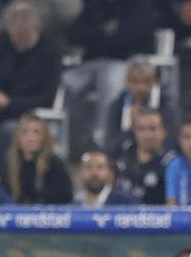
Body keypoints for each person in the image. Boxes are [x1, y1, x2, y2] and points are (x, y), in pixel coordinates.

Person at [0, 2, 61, 151]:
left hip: (25, 119)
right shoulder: (3, 41)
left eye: (22, 37)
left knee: (7, 133)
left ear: (36, 29)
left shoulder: (50, 53)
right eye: (13, 35)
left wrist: (10, 103)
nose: (16, 41)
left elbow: (46, 98)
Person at [63, 0, 154, 152]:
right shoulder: (94, 4)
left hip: (123, 62)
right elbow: (74, 34)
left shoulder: (138, 5)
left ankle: (103, 141)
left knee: (111, 84)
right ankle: (83, 139)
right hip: (92, 63)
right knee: (66, 82)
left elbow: (128, 39)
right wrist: (107, 36)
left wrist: (97, 37)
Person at [104, 59, 177, 156]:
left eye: (146, 81)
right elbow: (109, 149)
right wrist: (131, 128)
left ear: (156, 81)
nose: (141, 88)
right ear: (127, 82)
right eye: (135, 81)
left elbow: (172, 143)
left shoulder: (168, 105)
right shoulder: (117, 106)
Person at [1, 113, 73, 205]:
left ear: (44, 137)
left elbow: (65, 196)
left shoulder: (54, 164)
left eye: (36, 132)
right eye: (25, 132)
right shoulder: (8, 164)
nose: (30, 138)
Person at [112, 108, 175, 205]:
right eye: (142, 129)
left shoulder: (171, 163)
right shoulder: (122, 158)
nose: (147, 135)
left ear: (164, 132)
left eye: (152, 128)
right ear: (134, 132)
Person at [75, 149, 139, 207]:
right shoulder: (74, 203)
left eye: (100, 167)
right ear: (81, 172)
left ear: (109, 172)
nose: (94, 173)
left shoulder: (126, 202)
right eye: (88, 167)